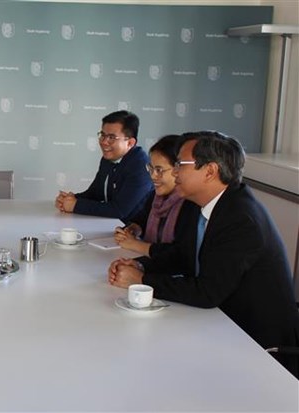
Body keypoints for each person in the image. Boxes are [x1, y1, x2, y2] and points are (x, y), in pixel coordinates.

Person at [108, 131, 299, 378]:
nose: (174, 171)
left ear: (209, 171)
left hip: (256, 343)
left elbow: (208, 292)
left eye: (180, 164)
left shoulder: (241, 218)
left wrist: (142, 282)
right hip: (220, 321)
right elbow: (183, 255)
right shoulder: (197, 203)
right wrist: (141, 265)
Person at [54, 110, 153, 222]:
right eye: (102, 135)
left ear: (130, 143)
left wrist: (75, 205)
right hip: (112, 227)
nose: (104, 142)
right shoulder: (108, 159)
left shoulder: (141, 166)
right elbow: (95, 193)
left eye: (111, 137)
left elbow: (119, 210)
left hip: (134, 234)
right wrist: (70, 199)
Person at [114, 134, 199, 257]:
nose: (153, 176)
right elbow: (140, 220)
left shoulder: (191, 203)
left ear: (178, 170)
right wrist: (131, 230)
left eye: (159, 170)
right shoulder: (155, 196)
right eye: (151, 168)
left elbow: (180, 255)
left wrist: (135, 245)